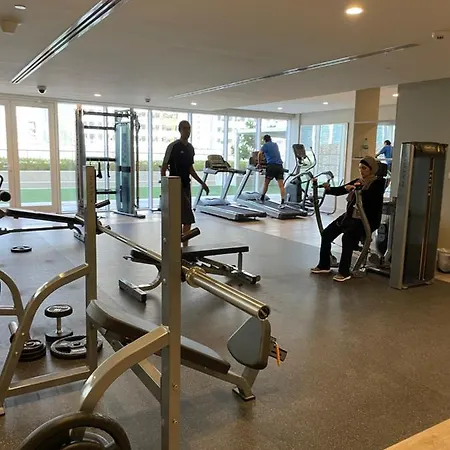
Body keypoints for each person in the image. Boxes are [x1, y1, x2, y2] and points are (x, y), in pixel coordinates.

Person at [310, 156, 385, 282]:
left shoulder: (378, 183)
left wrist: (356, 190)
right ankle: (324, 265)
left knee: (347, 238)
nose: (361, 171)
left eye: (364, 168)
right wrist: (329, 189)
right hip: (350, 216)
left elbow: (371, 197)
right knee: (327, 234)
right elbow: (342, 189)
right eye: (360, 168)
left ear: (372, 169)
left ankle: (344, 272)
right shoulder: (359, 181)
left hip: (366, 219)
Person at [161, 120, 209, 243]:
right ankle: (177, 244)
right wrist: (165, 187)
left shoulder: (190, 148)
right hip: (175, 185)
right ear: (180, 130)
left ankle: (184, 244)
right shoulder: (173, 146)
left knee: (186, 218)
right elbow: (164, 167)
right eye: (185, 128)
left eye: (189, 129)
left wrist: (202, 183)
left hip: (186, 185)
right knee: (181, 216)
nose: (187, 131)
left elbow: (190, 169)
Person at [258, 135, 286, 208]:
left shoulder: (265, 145)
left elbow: (260, 153)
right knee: (281, 185)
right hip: (279, 166)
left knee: (266, 183)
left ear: (264, 140)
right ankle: (283, 201)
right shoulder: (275, 145)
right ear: (270, 139)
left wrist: (259, 163)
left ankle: (262, 198)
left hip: (271, 166)